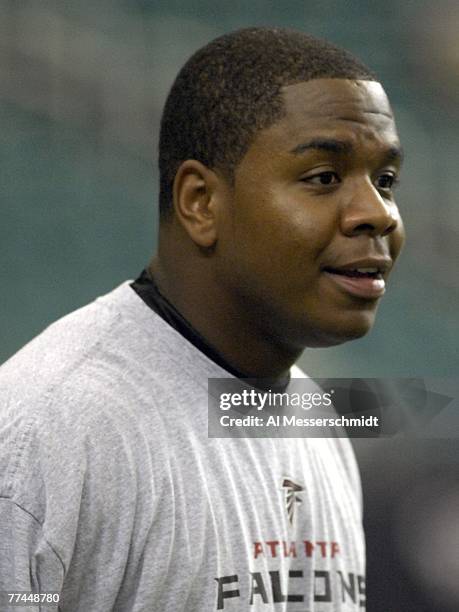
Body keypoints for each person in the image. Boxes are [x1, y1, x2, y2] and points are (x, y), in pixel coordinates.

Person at [0, 27, 404, 611]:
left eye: (386, 181)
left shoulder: (320, 425)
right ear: (200, 202)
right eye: (324, 178)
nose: (378, 214)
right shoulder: (47, 434)